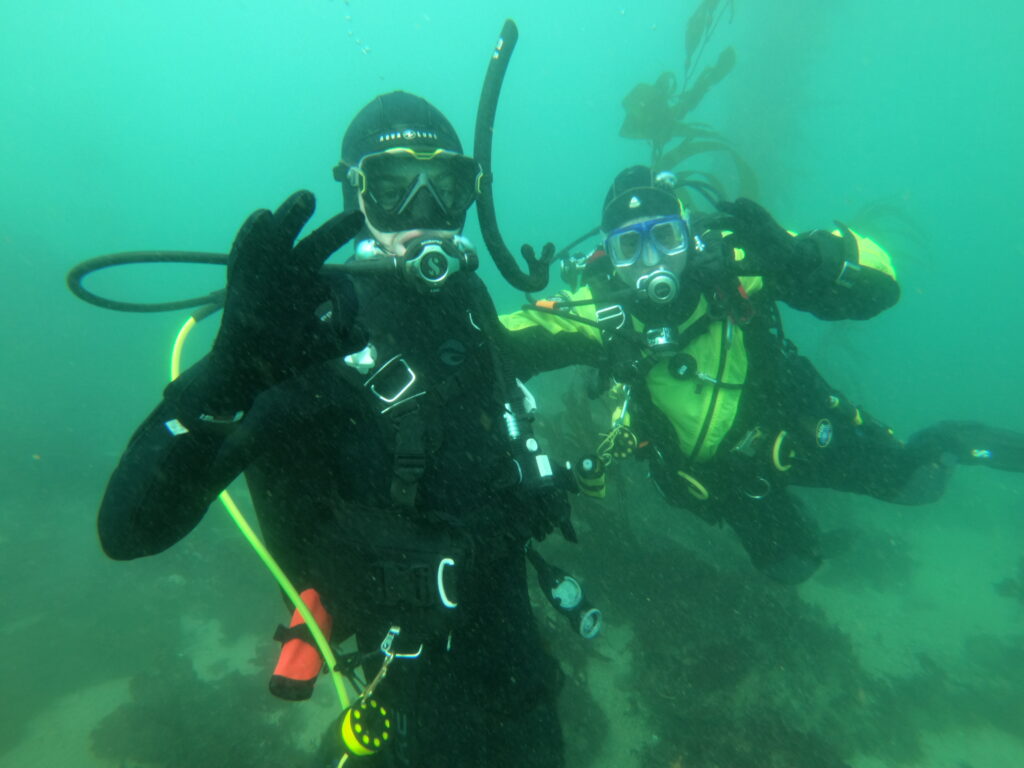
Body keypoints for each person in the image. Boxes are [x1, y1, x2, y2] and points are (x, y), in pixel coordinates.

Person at [98, 91, 574, 767]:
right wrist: (229, 378)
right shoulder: (304, 334)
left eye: (445, 189)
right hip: (400, 667)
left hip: (507, 641)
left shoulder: (466, 301)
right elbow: (127, 531)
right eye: (391, 188)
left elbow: (523, 352)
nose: (425, 215)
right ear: (355, 196)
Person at [500, 165, 1024, 584]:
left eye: (665, 237)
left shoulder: (741, 260)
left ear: (689, 233)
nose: (652, 262)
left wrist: (802, 257)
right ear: (609, 260)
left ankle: (956, 440)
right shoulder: (596, 312)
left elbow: (882, 285)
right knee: (791, 567)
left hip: (796, 423)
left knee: (917, 483)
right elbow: (496, 341)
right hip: (723, 479)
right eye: (630, 248)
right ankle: (803, 533)